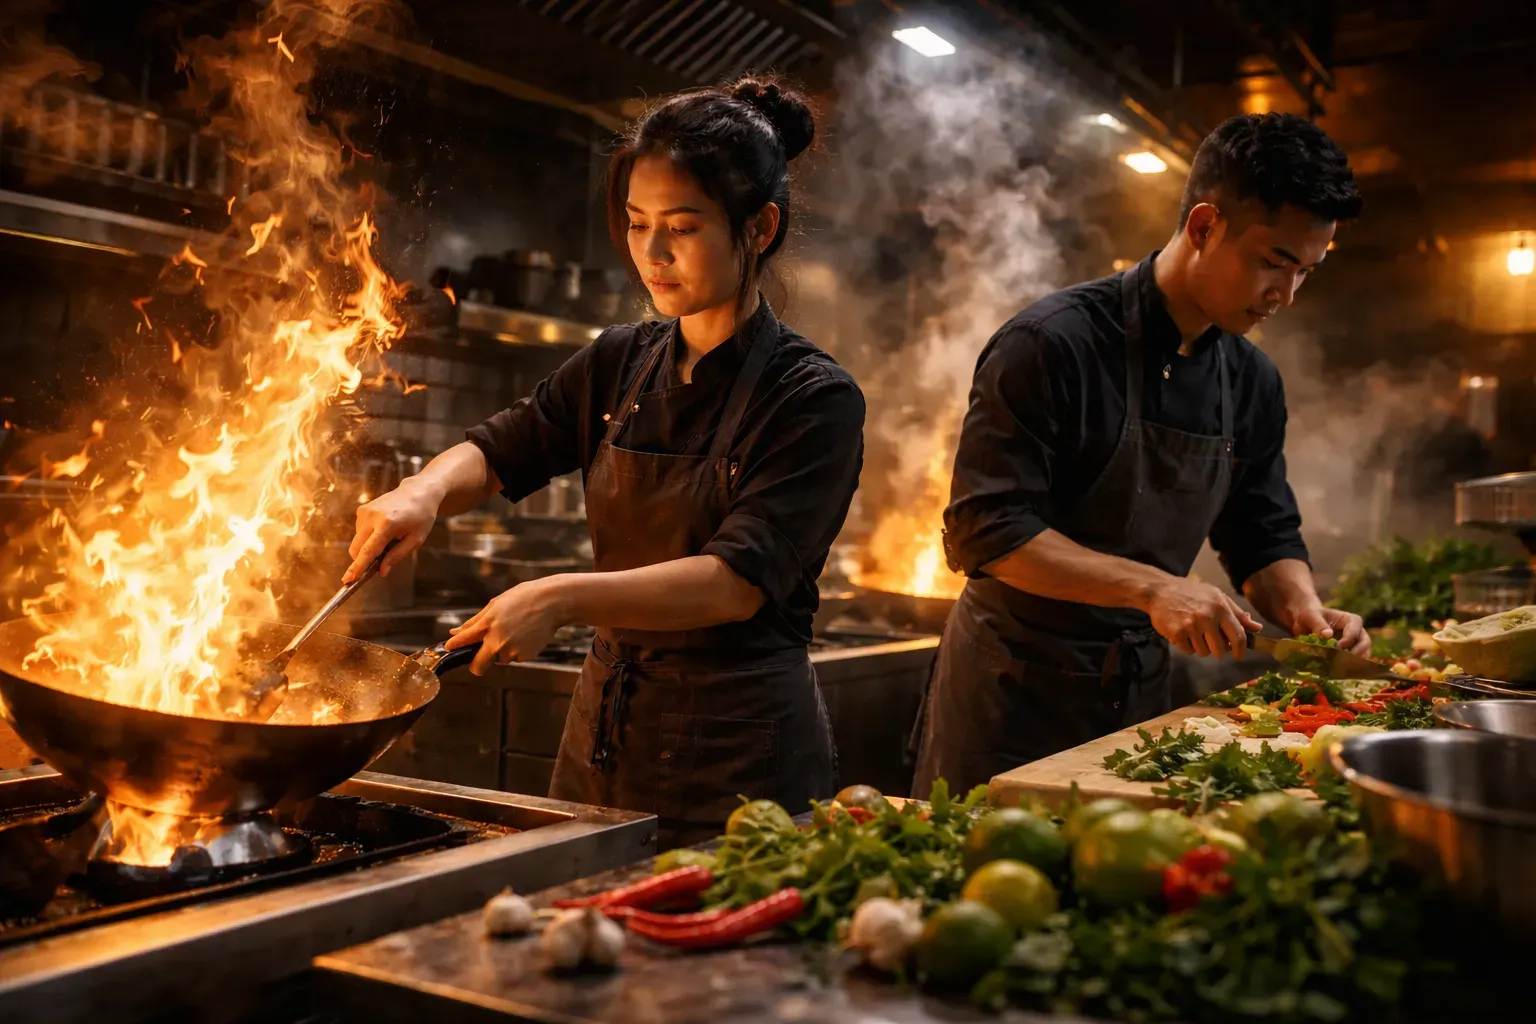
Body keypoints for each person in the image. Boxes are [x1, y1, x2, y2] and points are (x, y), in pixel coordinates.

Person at [346, 76, 864, 848]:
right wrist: (420, 493)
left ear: (759, 229)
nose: (651, 253)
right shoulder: (622, 359)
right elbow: (502, 447)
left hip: (740, 751)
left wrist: (559, 596)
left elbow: (734, 584)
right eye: (636, 223)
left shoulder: (811, 397)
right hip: (605, 733)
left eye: (682, 228)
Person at [912, 113, 1369, 797]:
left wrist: (1305, 611)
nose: (1287, 294)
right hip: (1010, 695)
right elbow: (988, 530)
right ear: (1204, 225)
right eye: (1273, 262)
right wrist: (1153, 587)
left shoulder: (1251, 381)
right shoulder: (1050, 344)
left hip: (1140, 703)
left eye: (1307, 271)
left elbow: (1259, 530)